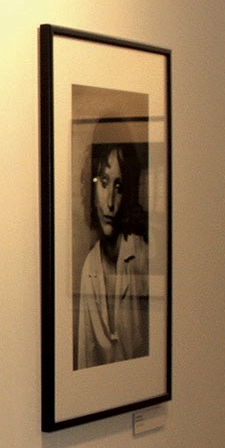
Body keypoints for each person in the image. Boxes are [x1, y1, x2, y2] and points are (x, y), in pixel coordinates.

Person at [76, 132, 149, 369]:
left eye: (119, 186)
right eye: (104, 182)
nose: (110, 202)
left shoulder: (142, 257)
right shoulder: (89, 268)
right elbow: (85, 360)